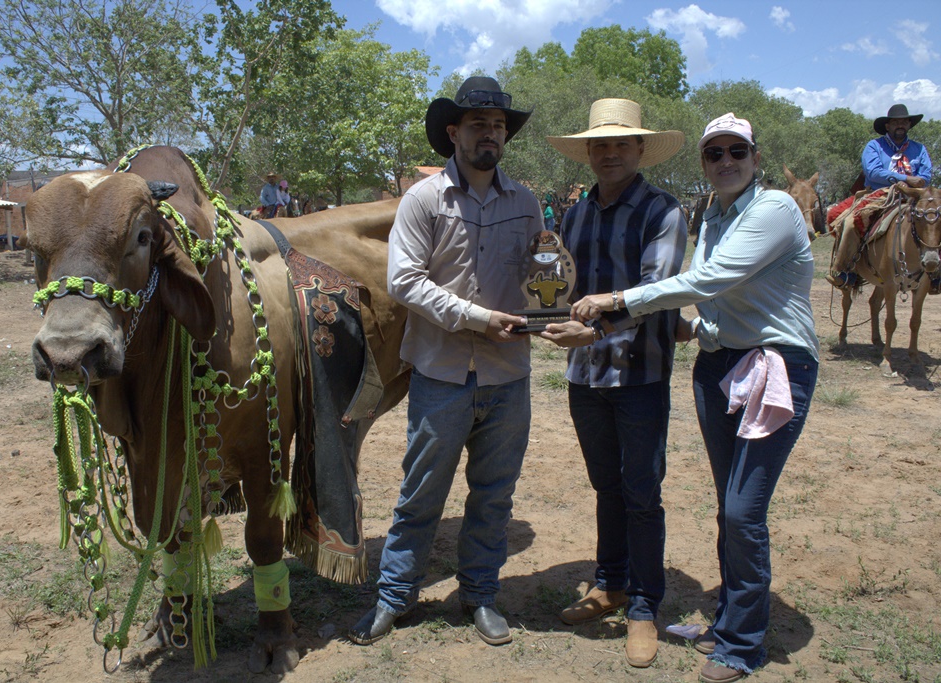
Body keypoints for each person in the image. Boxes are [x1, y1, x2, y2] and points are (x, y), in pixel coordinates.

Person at [570, 112, 818, 683]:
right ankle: (729, 619)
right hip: (718, 364)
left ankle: (741, 645)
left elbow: (709, 280)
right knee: (729, 503)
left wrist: (616, 302)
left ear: (756, 158)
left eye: (737, 151)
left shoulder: (775, 208)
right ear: (703, 162)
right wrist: (691, 329)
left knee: (742, 510)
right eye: (714, 153)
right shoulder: (712, 215)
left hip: (775, 365)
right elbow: (718, 303)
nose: (725, 161)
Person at [348, 75, 542, 648]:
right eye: (479, 124)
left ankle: (479, 595)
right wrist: (479, 318)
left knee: (494, 495)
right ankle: (395, 596)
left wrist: (552, 295)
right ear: (453, 132)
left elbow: (542, 278)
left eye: (499, 126)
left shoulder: (526, 203)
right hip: (441, 374)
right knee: (420, 495)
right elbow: (404, 281)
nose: (491, 134)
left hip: (509, 376)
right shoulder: (424, 199)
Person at [539, 98, 687, 669]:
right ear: (587, 154)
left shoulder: (662, 211)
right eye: (599, 145)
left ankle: (645, 605)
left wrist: (594, 329)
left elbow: (658, 290)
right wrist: (543, 316)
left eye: (621, 143)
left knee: (641, 491)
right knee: (607, 486)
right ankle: (611, 584)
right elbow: (560, 284)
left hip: (640, 373)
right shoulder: (574, 216)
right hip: (586, 374)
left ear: (640, 150)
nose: (609, 153)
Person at [828, 104, 933, 288]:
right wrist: (905, 178)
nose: (900, 125)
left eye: (904, 121)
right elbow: (873, 172)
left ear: (909, 125)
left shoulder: (919, 149)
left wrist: (916, 183)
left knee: (935, 219)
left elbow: (926, 174)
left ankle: (935, 273)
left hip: (915, 195)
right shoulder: (874, 146)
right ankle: (846, 270)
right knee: (851, 222)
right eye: (896, 122)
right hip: (881, 194)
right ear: (887, 126)